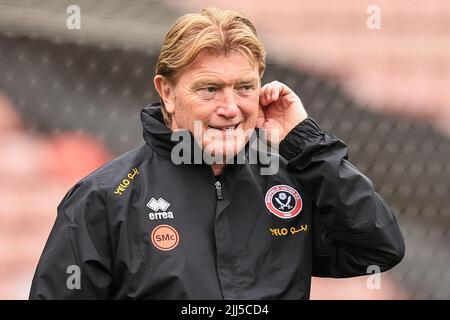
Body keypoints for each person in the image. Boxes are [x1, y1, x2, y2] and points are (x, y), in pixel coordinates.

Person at [29, 6, 405, 300]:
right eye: (209, 89)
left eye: (244, 88)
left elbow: (378, 247)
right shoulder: (105, 198)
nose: (230, 107)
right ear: (167, 92)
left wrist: (305, 141)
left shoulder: (291, 178)